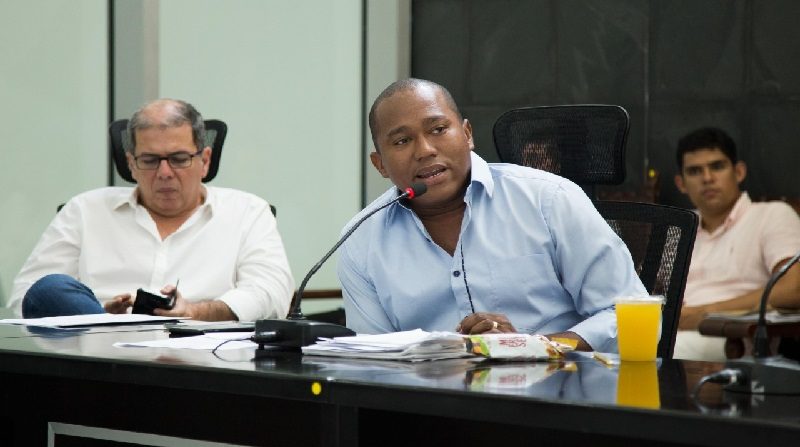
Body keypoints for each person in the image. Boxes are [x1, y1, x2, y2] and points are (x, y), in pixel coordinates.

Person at [337, 78, 647, 352]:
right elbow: (371, 358)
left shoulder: (548, 200)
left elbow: (630, 315)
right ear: (379, 164)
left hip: (559, 389)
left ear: (467, 134)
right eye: (402, 141)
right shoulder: (361, 240)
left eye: (438, 129)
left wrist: (532, 348)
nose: (425, 150)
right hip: (432, 397)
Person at [9, 99, 295, 321]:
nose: (165, 173)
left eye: (179, 159)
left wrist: (193, 313)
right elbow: (27, 296)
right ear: (131, 163)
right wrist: (94, 314)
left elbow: (271, 295)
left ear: (205, 160)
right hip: (99, 354)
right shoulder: (85, 210)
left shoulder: (247, 212)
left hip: (204, 360)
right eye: (149, 160)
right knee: (49, 289)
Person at [673, 126, 800, 361]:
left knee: (646, 353)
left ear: (739, 172)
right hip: (668, 330)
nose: (707, 178)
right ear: (681, 183)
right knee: (610, 348)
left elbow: (793, 290)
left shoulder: (771, 215)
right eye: (695, 171)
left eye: (717, 166)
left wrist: (705, 313)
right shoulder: (678, 230)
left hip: (729, 339)